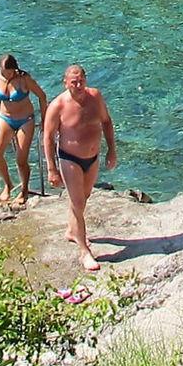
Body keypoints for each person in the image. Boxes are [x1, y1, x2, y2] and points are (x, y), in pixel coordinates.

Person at [42, 63, 117, 272]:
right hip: (69, 158)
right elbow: (47, 138)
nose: (78, 84)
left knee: (83, 198)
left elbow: (107, 122)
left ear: (86, 79)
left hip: (92, 157)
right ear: (65, 83)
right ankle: (85, 252)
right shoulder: (57, 105)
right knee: (76, 201)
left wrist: (112, 150)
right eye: (73, 81)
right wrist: (51, 168)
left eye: (81, 80)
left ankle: (71, 230)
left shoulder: (96, 97)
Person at [0, 53, 48, 203]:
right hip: (5, 118)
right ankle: (8, 184)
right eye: (3, 70)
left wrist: (44, 119)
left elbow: (42, 96)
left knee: (21, 159)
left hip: (25, 120)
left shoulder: (24, 79)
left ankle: (24, 190)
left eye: (9, 70)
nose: (7, 74)